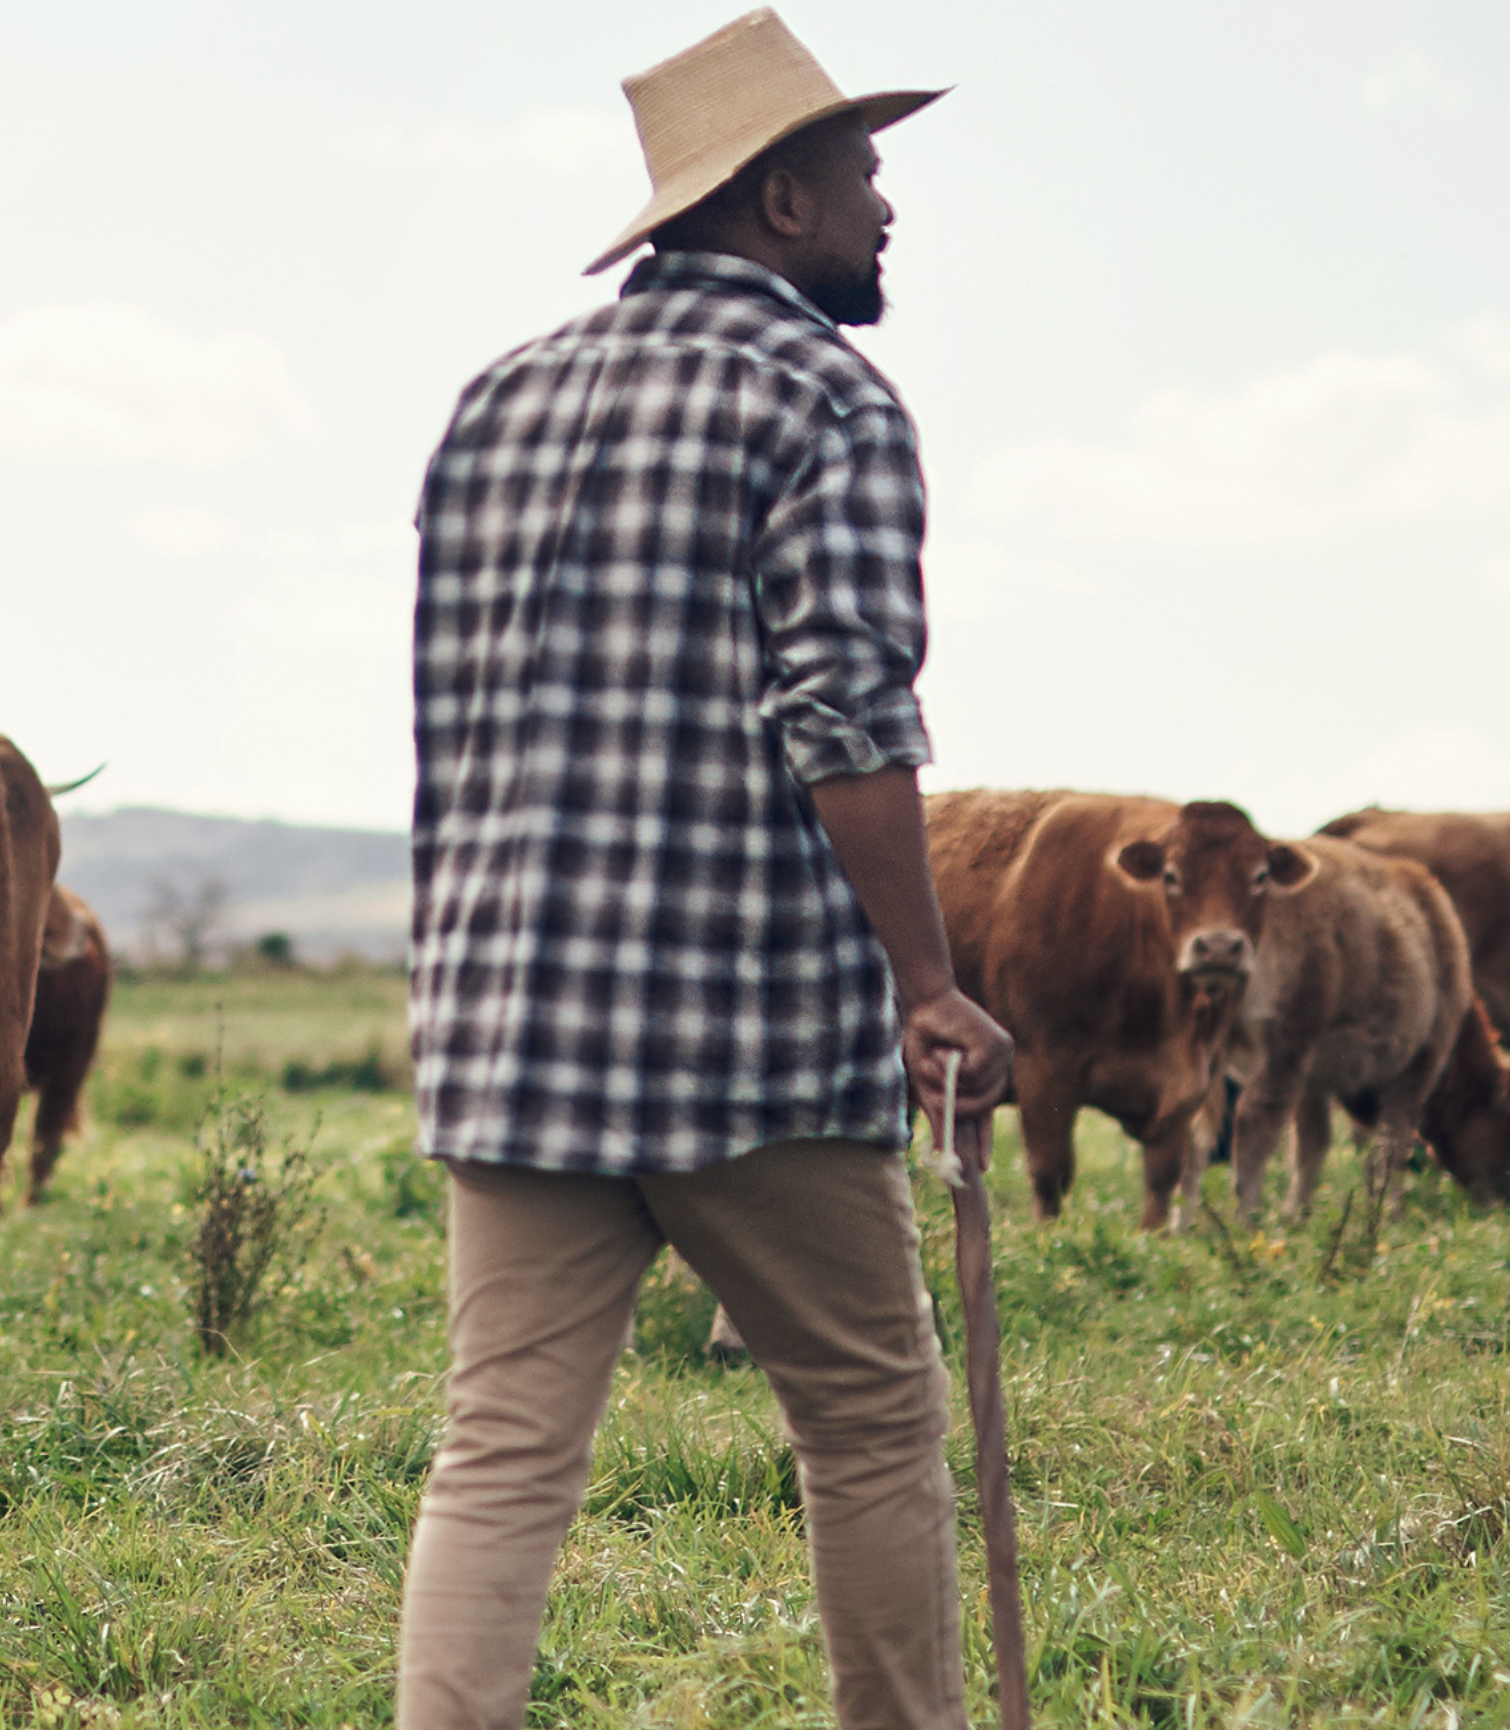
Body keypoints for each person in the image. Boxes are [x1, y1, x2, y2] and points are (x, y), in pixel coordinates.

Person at [391, 12, 1008, 1729]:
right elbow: (849, 716)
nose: (890, 210)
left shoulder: (496, 400)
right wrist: (929, 983)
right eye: (869, 176)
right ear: (785, 202)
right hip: (746, 1030)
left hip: (513, 1017)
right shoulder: (824, 396)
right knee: (873, 1419)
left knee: (498, 1449)